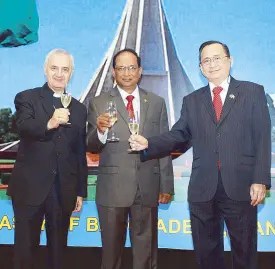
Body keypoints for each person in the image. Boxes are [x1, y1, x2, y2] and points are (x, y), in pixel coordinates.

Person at [129, 41, 271, 269]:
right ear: (200, 67)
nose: (212, 64)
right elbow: (178, 135)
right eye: (206, 60)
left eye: (217, 58)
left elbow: (262, 138)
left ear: (229, 61)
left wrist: (260, 180)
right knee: (206, 256)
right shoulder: (192, 101)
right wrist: (149, 142)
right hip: (203, 190)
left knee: (245, 253)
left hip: (241, 187)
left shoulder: (252, 92)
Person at [86, 48, 174, 269]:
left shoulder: (156, 102)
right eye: (121, 68)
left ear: (140, 70)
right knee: (110, 253)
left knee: (146, 252)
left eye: (131, 67)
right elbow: (91, 145)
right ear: (113, 72)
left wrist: (166, 185)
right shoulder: (99, 102)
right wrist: (101, 131)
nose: (127, 73)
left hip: (147, 186)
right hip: (112, 188)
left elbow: (163, 146)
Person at [8, 49, 88, 269]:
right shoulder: (26, 98)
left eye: (65, 69)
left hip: (63, 190)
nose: (59, 74)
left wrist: (81, 190)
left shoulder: (80, 109)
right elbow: (23, 126)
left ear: (72, 73)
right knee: (25, 252)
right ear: (45, 70)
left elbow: (79, 151)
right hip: (29, 189)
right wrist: (50, 123)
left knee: (58, 253)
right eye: (54, 68)